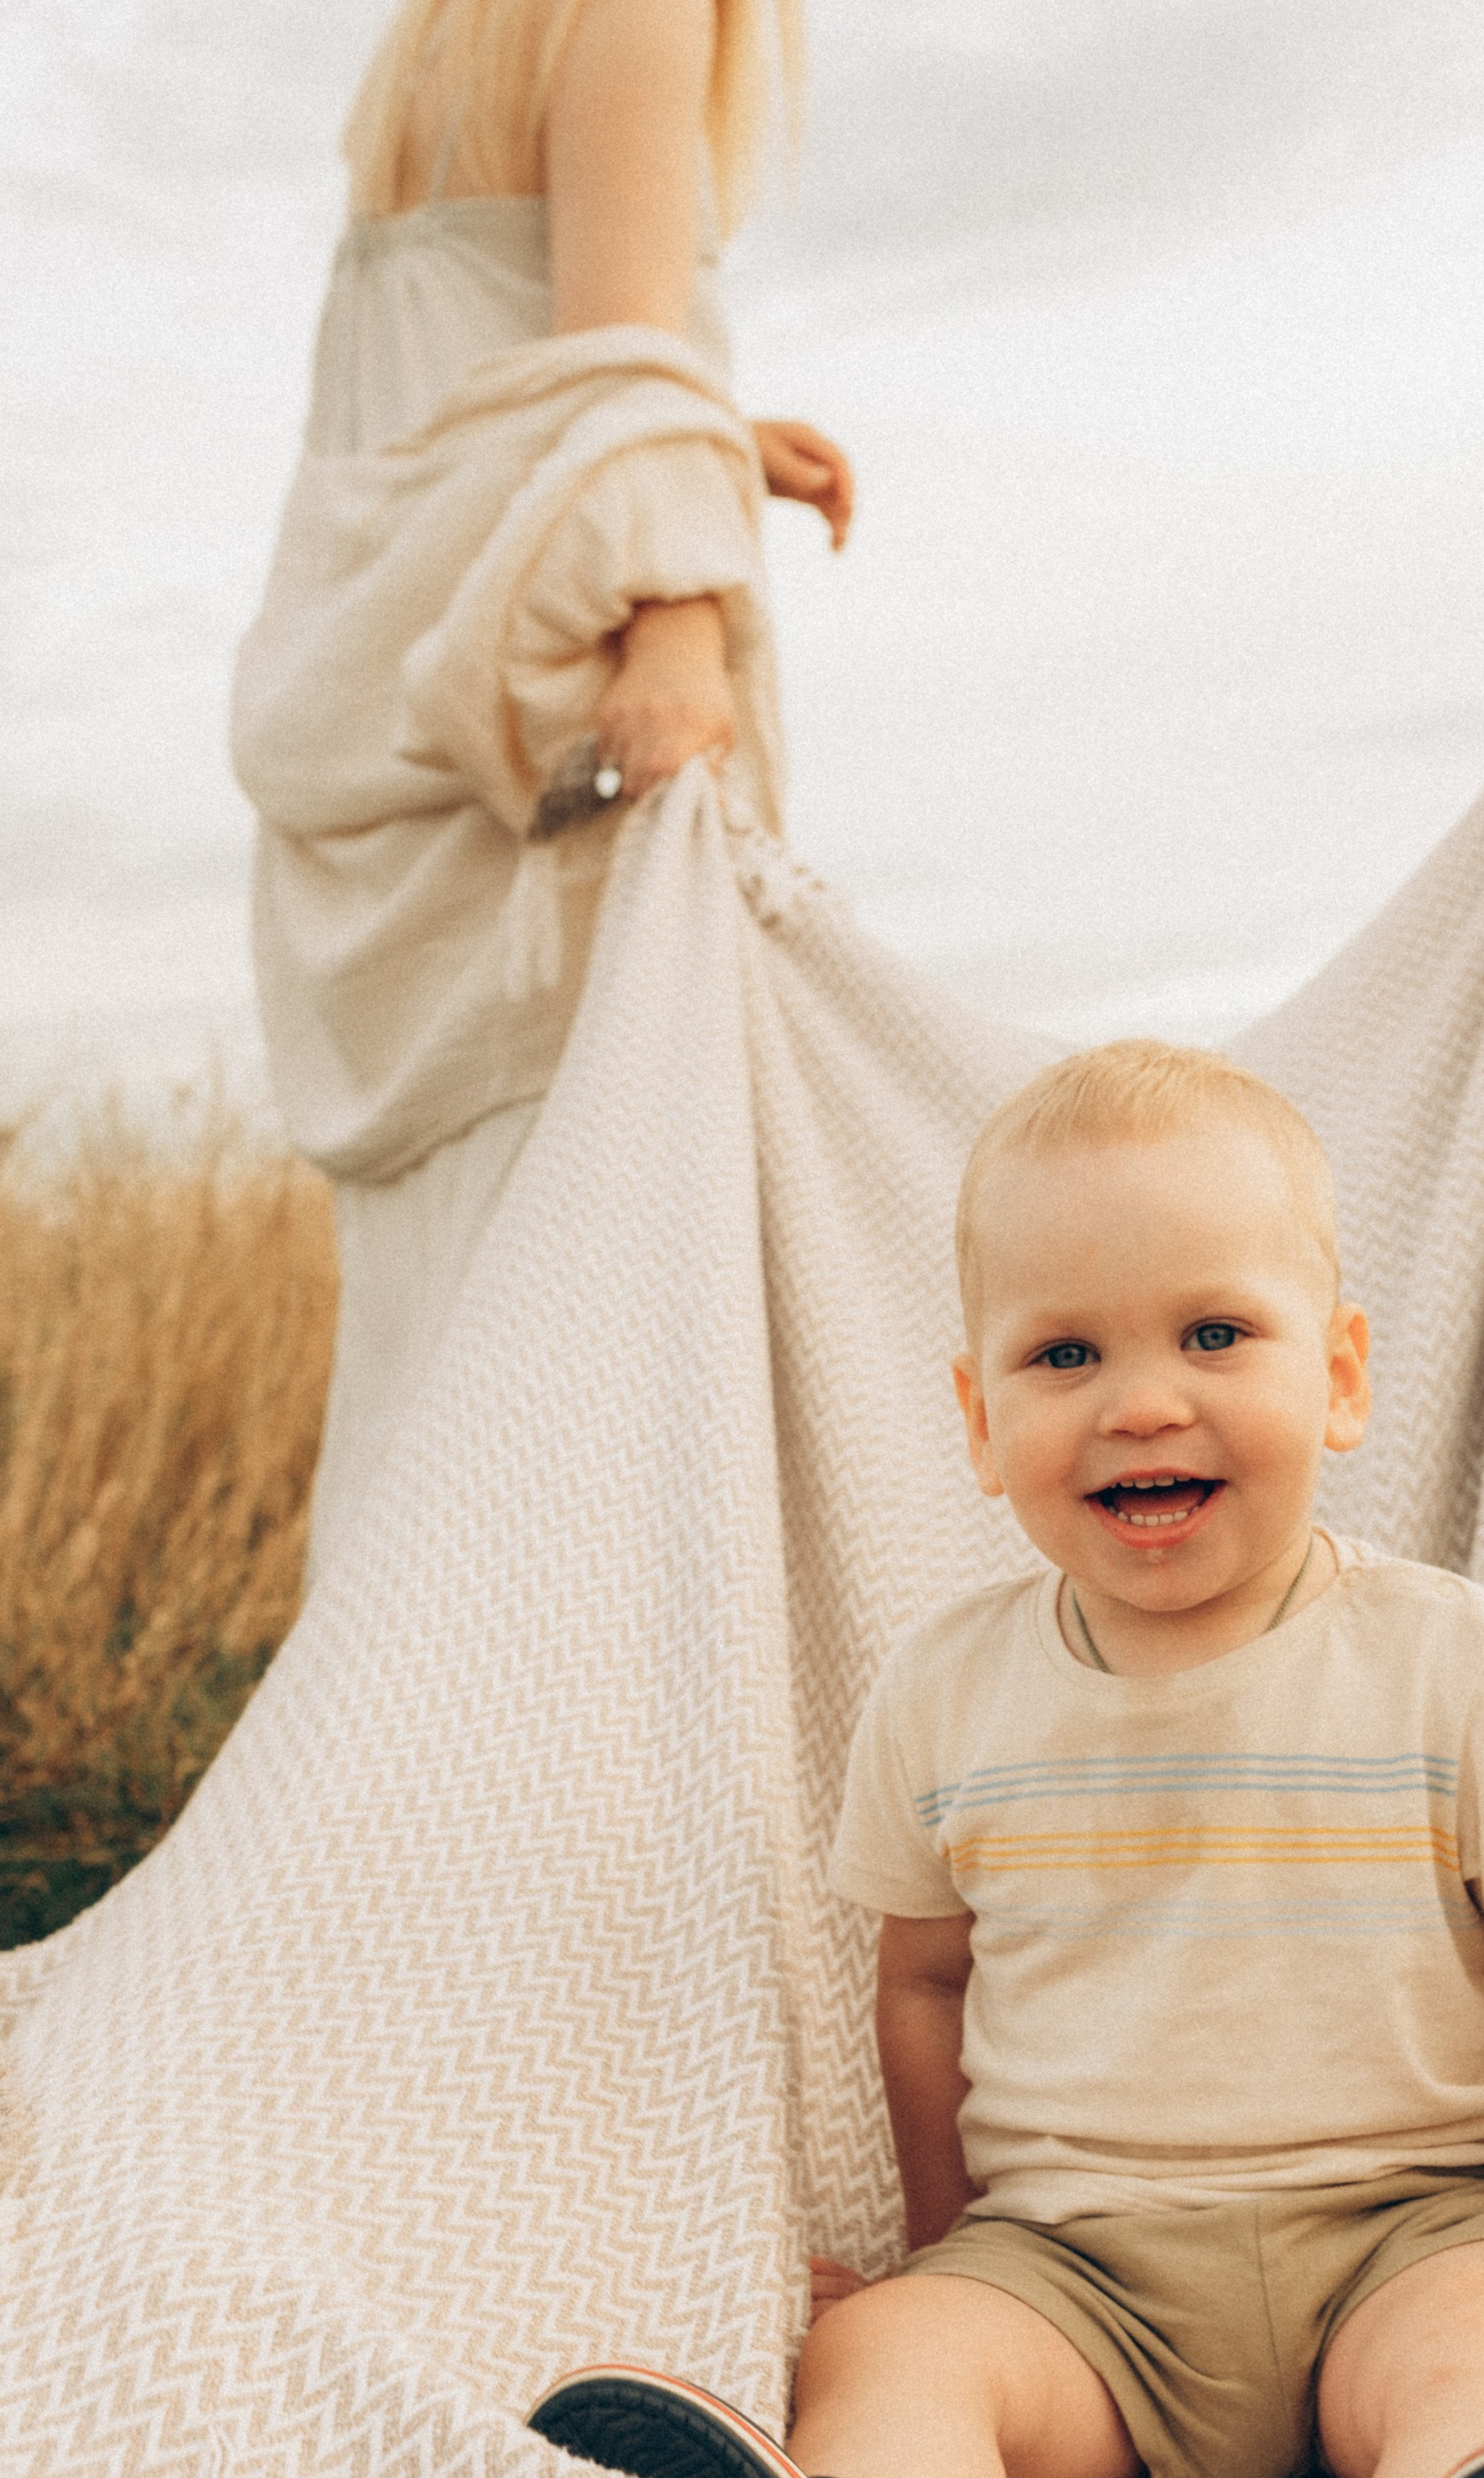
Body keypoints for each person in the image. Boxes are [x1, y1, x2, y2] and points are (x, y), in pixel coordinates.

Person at [530, 1044, 1484, 2478]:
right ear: (981, 1425)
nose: (1145, 1401)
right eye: (1066, 1353)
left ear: (1343, 1379)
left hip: (1408, 2235)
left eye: (1217, 1335)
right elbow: (923, 1985)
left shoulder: (1447, 1662)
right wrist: (947, 2253)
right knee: (887, 2356)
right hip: (1084, 2278)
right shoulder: (943, 1693)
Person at [254, 0, 854, 1565]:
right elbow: (623, 363)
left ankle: (395, 1748)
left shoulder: (446, 42)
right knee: (600, 1265)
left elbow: (471, 366)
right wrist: (675, 626)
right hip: (554, 717)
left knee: (450, 1300)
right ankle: (564, 1766)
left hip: (394, 699)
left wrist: (717, 436)